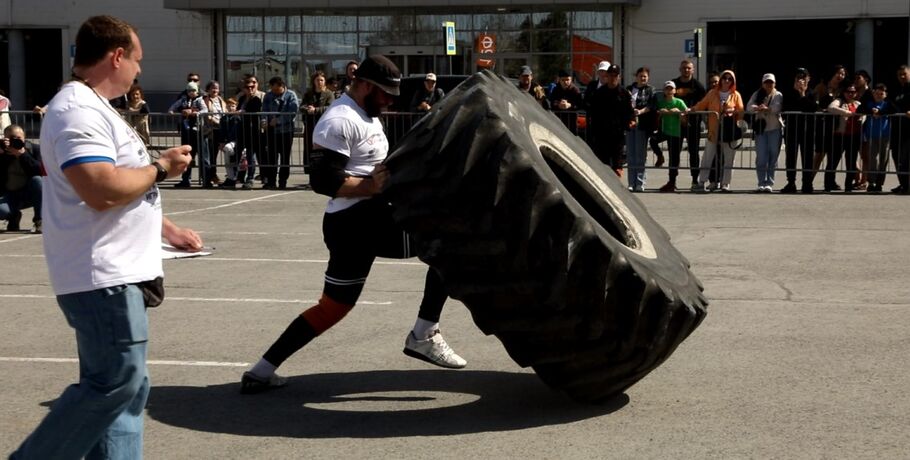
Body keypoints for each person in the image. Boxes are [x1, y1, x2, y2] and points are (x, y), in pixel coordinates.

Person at [10, 15, 201, 460]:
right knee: (116, 380)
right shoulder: (78, 109)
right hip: (103, 276)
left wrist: (167, 230)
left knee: (127, 390)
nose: (139, 70)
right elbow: (98, 187)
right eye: (136, 60)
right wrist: (161, 167)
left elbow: (120, 188)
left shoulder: (93, 106)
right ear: (116, 56)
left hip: (114, 273)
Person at [240, 55, 466, 395]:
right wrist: (369, 187)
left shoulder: (368, 115)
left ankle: (260, 371)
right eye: (385, 93)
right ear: (364, 84)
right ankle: (423, 334)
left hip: (360, 220)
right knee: (448, 246)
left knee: (333, 307)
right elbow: (321, 180)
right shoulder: (339, 120)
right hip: (357, 221)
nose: (390, 100)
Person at [690, 69, 744, 192]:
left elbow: (741, 112)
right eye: (724, 78)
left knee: (729, 159)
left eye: (730, 79)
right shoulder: (712, 93)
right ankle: (701, 182)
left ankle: (725, 183)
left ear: (733, 81)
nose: (726, 80)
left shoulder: (736, 95)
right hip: (714, 130)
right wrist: (692, 109)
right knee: (707, 157)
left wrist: (733, 113)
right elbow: (702, 105)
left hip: (729, 131)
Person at [584, 64, 633, 176]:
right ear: (607, 76)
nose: (612, 78)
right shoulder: (600, 92)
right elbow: (592, 111)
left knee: (617, 165)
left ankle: (617, 189)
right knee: (603, 165)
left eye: (615, 76)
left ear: (619, 77)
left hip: (618, 134)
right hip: (602, 134)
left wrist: (631, 121)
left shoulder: (624, 93)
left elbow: (629, 111)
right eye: (610, 75)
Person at [812, 65, 848, 191]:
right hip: (823, 124)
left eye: (843, 74)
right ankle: (808, 180)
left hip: (837, 126)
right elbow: (815, 103)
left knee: (834, 156)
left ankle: (830, 181)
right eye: (838, 73)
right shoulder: (821, 86)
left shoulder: (843, 89)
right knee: (819, 154)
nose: (840, 76)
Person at [781, 68, 818, 193]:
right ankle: (791, 182)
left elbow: (812, 108)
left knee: (807, 157)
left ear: (809, 78)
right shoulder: (788, 93)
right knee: (791, 156)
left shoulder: (812, 93)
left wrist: (802, 94)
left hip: (808, 130)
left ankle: (807, 183)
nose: (801, 80)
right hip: (792, 129)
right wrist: (797, 92)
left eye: (803, 77)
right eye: (798, 77)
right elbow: (785, 108)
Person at [672, 59, 707, 190]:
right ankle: (672, 180)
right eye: (684, 68)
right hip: (676, 124)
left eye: (689, 68)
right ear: (680, 69)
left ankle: (694, 181)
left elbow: (704, 104)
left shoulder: (698, 86)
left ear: (693, 70)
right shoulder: (674, 84)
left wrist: (692, 110)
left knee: (694, 153)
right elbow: (668, 98)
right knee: (674, 153)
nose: (686, 70)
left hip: (694, 124)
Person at [0, 124, 42, 233]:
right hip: (9, 194)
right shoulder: (2, 151)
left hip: (29, 193)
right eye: (11, 138)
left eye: (18, 138)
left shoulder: (34, 149)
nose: (15, 141)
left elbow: (41, 171)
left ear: (24, 137)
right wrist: (4, 154)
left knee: (37, 180)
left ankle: (40, 220)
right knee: (1, 211)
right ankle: (13, 216)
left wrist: (22, 155)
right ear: (5, 138)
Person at [168, 80, 210, 187]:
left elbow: (205, 110)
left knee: (203, 157)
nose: (191, 92)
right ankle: (186, 180)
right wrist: (172, 111)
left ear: (197, 91)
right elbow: (173, 106)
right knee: (187, 156)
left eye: (193, 90)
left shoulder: (200, 100)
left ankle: (206, 180)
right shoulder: (183, 100)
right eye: (189, 90)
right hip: (187, 132)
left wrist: (196, 113)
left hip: (199, 132)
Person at [747, 73, 784, 192]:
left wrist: (767, 109)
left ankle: (769, 182)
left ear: (775, 83)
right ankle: (761, 182)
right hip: (761, 129)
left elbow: (777, 107)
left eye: (771, 82)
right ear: (762, 84)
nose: (769, 84)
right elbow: (748, 107)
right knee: (761, 157)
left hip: (774, 128)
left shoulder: (778, 95)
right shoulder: (757, 94)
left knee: (773, 156)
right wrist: (757, 108)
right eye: (766, 82)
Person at [261, 76, 299, 189]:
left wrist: (278, 121)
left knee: (284, 158)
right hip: (271, 132)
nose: (274, 92)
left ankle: (283, 181)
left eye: (277, 90)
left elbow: (292, 113)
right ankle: (271, 181)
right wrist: (263, 120)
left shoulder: (291, 95)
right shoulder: (268, 95)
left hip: (286, 131)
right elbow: (264, 110)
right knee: (271, 157)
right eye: (273, 89)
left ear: (282, 86)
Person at [825, 84, 863, 192]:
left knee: (851, 162)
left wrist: (861, 118)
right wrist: (847, 113)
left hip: (853, 135)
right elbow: (831, 108)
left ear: (856, 93)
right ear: (844, 92)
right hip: (839, 135)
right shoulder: (839, 101)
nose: (850, 94)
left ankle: (848, 185)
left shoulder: (858, 103)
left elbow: (864, 114)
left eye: (853, 92)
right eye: (848, 91)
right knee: (833, 161)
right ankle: (828, 184)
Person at [625, 66, 657, 192]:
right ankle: (631, 182)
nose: (642, 78)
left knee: (640, 155)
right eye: (640, 76)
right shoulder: (629, 89)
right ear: (636, 77)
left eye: (645, 76)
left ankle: (640, 182)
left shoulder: (651, 90)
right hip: (630, 124)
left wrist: (641, 111)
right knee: (631, 154)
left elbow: (651, 105)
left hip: (643, 124)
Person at [858, 83, 893, 192]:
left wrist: (881, 112)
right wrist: (871, 111)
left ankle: (879, 183)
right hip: (872, 135)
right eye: (876, 93)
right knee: (873, 160)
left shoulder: (887, 104)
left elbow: (894, 109)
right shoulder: (869, 103)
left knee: (884, 160)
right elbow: (860, 109)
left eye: (881, 94)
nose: (878, 95)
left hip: (885, 135)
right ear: (873, 93)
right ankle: (871, 182)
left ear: (885, 95)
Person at [656, 81, 688, 193]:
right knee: (653, 141)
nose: (669, 91)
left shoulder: (679, 102)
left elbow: (685, 119)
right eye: (667, 89)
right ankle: (660, 156)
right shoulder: (661, 102)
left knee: (674, 158)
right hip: (665, 132)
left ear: (674, 90)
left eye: (671, 89)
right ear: (664, 91)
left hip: (676, 133)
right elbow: (657, 118)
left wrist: (679, 113)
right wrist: (660, 113)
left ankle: (672, 182)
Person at [236, 75, 264, 190]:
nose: (250, 89)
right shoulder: (242, 98)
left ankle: (252, 177)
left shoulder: (259, 97)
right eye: (248, 87)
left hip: (256, 130)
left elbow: (255, 110)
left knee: (255, 155)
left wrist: (244, 111)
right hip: (243, 129)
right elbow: (238, 109)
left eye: (253, 86)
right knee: (245, 155)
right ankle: (239, 176)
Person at [890, 65, 910, 194]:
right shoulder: (896, 90)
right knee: (896, 156)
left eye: (904, 74)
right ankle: (903, 184)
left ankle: (907, 185)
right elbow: (890, 105)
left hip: (909, 130)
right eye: (899, 75)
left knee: (906, 158)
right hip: (897, 128)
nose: (902, 77)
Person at [202, 80, 226, 186]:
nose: (215, 90)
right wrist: (217, 122)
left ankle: (213, 174)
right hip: (210, 130)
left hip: (220, 130)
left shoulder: (220, 100)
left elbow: (225, 112)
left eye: (216, 88)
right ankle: (210, 175)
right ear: (208, 89)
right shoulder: (205, 100)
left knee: (215, 154)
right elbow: (208, 115)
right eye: (212, 88)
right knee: (210, 155)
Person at [217, 97, 242, 189]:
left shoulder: (238, 118)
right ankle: (231, 178)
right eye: (229, 105)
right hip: (227, 142)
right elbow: (221, 131)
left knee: (230, 152)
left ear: (236, 106)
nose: (231, 107)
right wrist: (221, 142)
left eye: (233, 105)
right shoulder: (224, 118)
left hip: (237, 142)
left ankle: (236, 176)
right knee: (228, 161)